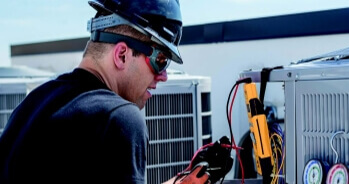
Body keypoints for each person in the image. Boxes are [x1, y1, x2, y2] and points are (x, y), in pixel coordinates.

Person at [0, 0, 210, 183]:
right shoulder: (120, 119)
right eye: (160, 61)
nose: (163, 76)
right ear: (122, 55)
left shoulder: (30, 106)